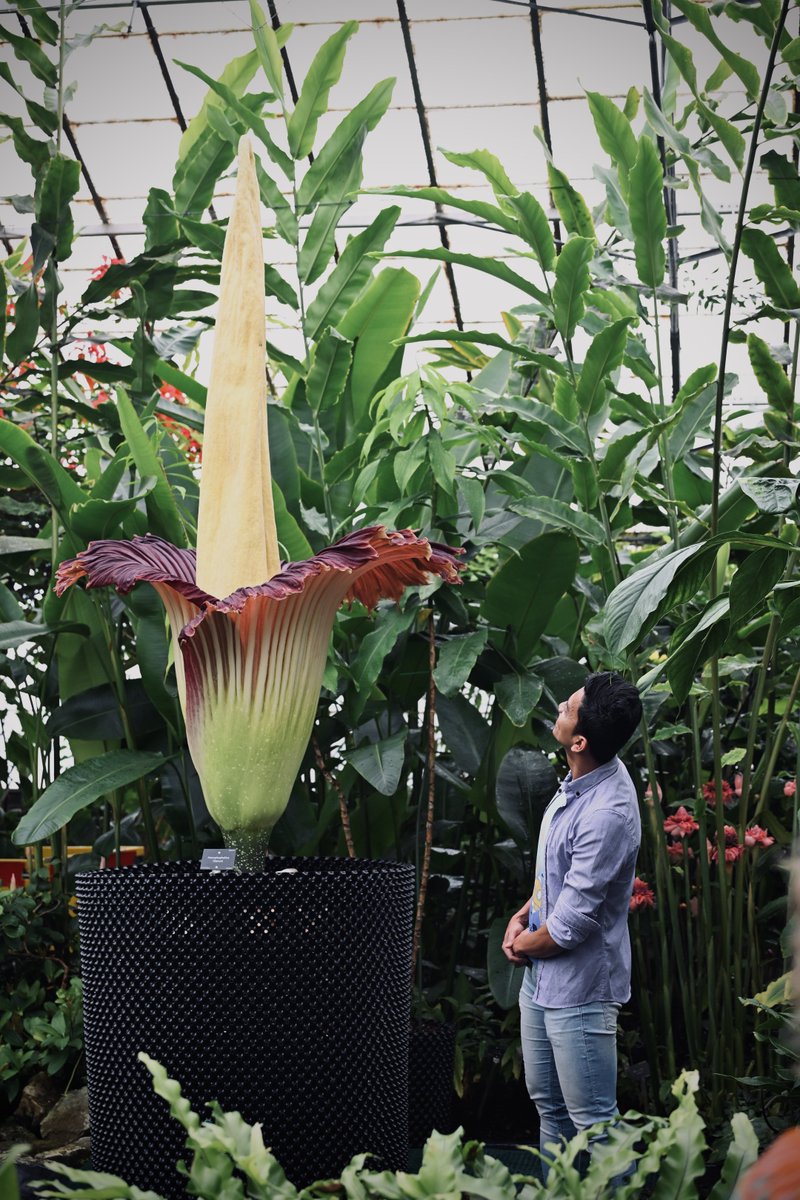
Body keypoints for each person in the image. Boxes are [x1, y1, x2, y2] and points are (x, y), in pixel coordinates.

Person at [502, 670, 643, 1181]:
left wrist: (522, 944)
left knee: (594, 1124)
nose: (560, 704)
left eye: (568, 707)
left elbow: (569, 928)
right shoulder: (584, 778)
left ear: (579, 741)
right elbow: (560, 880)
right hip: (542, 980)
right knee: (551, 1110)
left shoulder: (607, 812)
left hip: (580, 990)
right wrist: (523, 915)